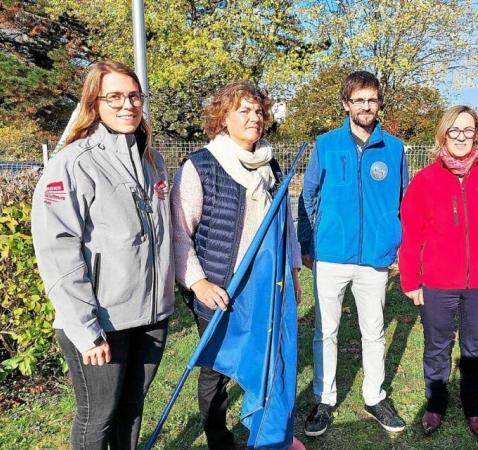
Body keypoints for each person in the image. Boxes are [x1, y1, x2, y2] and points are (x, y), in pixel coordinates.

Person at [31, 60, 174, 449]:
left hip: (149, 317)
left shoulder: (152, 161)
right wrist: (87, 329)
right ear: (94, 103)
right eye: (114, 96)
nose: (127, 105)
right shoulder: (73, 163)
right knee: (99, 417)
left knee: (131, 410)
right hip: (101, 321)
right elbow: (56, 250)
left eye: (134, 96)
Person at [170, 81, 304, 450]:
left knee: (267, 360)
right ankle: (218, 438)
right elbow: (180, 233)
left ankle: (265, 431)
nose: (254, 117)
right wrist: (198, 283)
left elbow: (285, 227)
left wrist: (292, 272)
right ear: (223, 117)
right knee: (217, 370)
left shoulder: (271, 165)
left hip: (267, 286)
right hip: (221, 289)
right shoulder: (201, 166)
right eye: (243, 110)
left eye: (258, 111)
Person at [398, 106, 478, 439]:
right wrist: (411, 279)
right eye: (455, 130)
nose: (462, 137)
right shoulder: (425, 180)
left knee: (475, 347)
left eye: (468, 130)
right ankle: (435, 405)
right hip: (437, 282)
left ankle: (474, 407)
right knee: (437, 346)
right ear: (443, 135)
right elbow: (411, 233)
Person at [297, 71, 408, 436]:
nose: (365, 106)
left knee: (373, 332)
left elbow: (404, 202)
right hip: (330, 255)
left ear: (379, 103)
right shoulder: (326, 144)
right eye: (358, 100)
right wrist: (310, 242)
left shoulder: (393, 149)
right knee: (325, 332)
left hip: (375, 258)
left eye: (371, 99)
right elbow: (308, 196)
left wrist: (395, 242)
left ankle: (374, 396)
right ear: (346, 104)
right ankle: (324, 399)